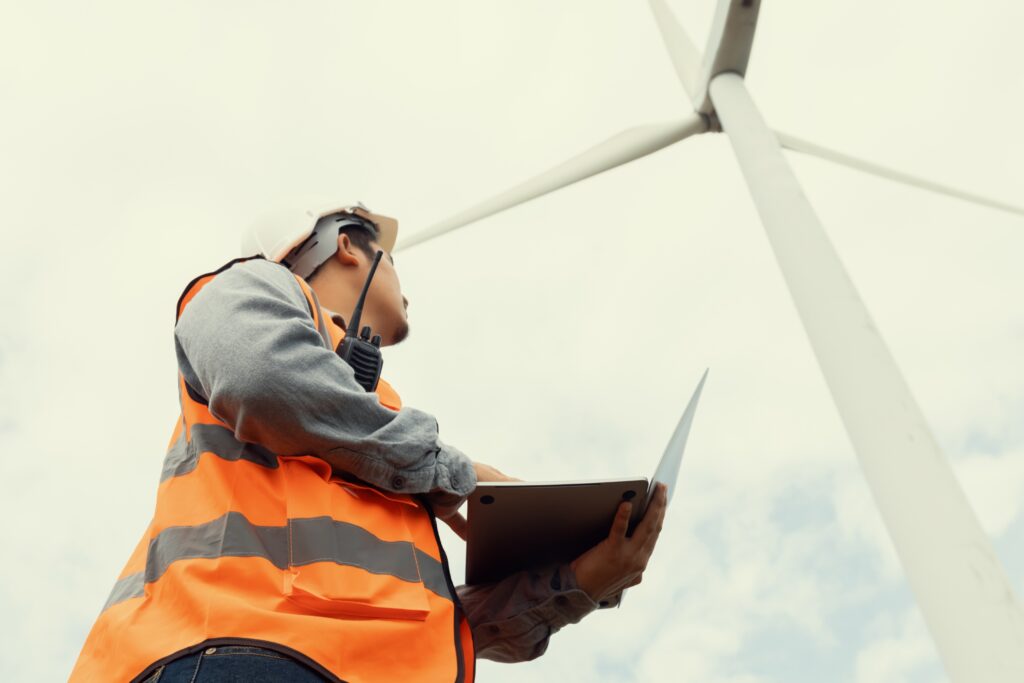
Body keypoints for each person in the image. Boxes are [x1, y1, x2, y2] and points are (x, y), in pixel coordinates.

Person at [70, 201, 668, 682]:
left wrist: (580, 583)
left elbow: (433, 627)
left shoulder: (380, 426)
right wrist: (452, 472)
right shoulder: (251, 288)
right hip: (241, 653)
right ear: (347, 245)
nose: (403, 282)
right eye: (393, 258)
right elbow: (259, 375)